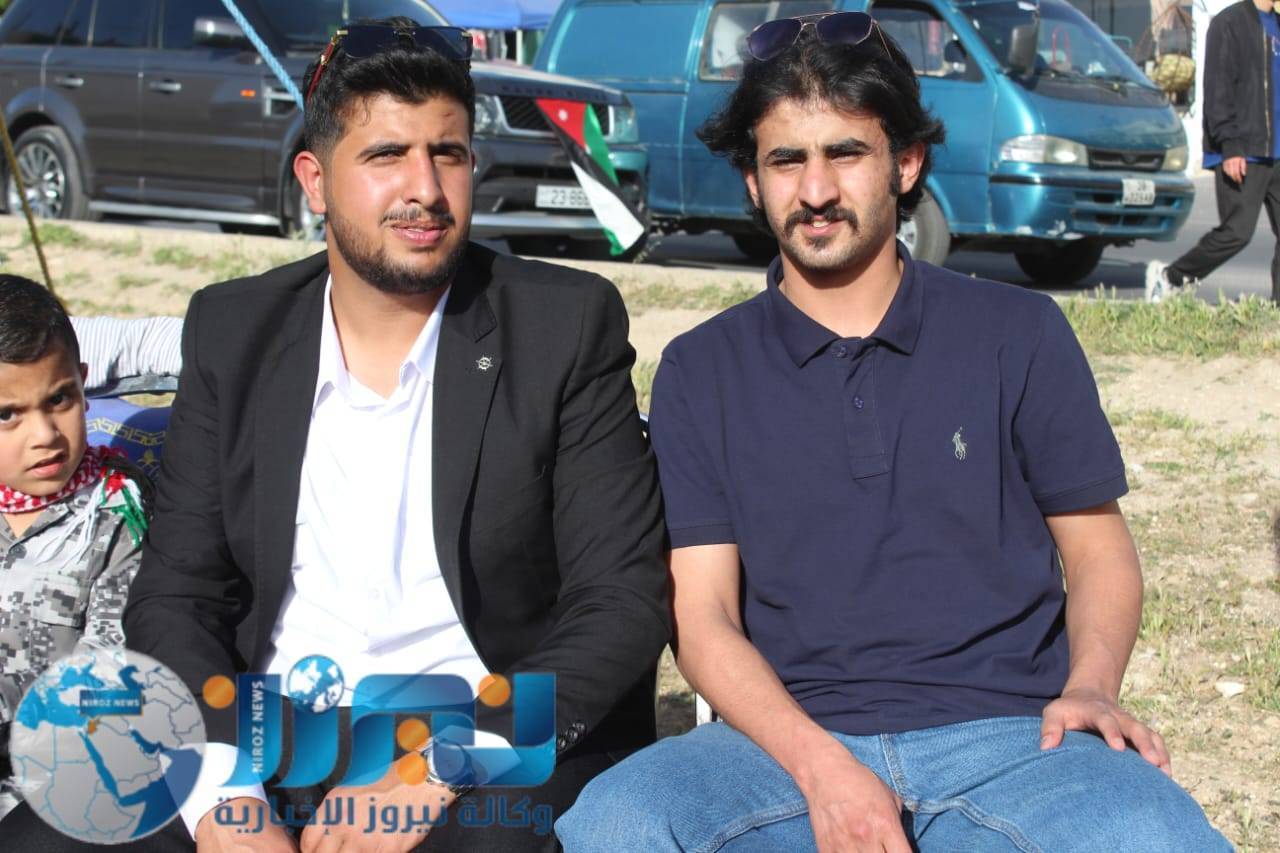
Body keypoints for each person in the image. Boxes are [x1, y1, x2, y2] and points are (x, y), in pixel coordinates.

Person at [557, 13, 1231, 852]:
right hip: (778, 747)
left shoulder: (1018, 333)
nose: (815, 191)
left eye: (845, 153)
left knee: (1156, 834)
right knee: (614, 821)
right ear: (752, 180)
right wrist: (821, 768)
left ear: (905, 163)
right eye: (786, 160)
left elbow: (1098, 552)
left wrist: (1092, 686)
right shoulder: (701, 368)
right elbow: (701, 615)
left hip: (1016, 742)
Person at [2, 18, 669, 853]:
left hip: (479, 733)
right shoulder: (233, 332)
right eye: (387, 155)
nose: (425, 187)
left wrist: (441, 766)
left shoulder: (562, 326)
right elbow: (176, 597)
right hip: (266, 728)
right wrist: (222, 794)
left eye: (448, 153)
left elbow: (621, 600)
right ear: (314, 181)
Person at [0, 275, 150, 821]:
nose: (44, 434)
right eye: (6, 414)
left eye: (59, 399)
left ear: (84, 385)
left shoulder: (116, 514)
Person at [1146, 0, 1280, 303]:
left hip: (1277, 152)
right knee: (1237, 232)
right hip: (1243, 150)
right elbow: (1217, 88)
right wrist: (1230, 146)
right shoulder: (1228, 23)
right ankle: (1170, 278)